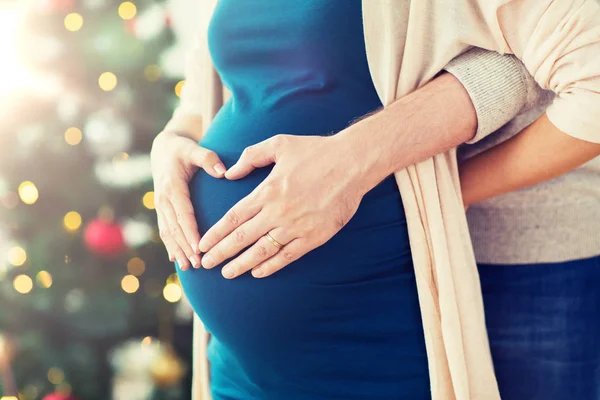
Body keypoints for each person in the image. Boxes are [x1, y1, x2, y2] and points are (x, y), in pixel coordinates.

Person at [150, 1, 600, 399]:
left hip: (499, 267)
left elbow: (560, 64)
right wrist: (171, 140)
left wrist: (456, 187)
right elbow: (219, 79)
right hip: (241, 368)